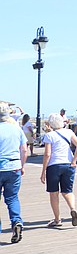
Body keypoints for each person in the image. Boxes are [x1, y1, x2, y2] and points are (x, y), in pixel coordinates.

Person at [40, 113, 77, 227]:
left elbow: (47, 154)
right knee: (67, 191)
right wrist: (74, 161)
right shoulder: (69, 132)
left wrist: (43, 170)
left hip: (54, 166)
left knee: (54, 193)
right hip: (68, 164)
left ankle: (57, 219)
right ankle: (73, 209)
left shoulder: (49, 136)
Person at [0, 104, 27, 243]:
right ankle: (16, 221)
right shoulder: (16, 129)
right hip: (14, 166)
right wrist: (22, 165)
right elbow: (24, 149)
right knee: (12, 198)